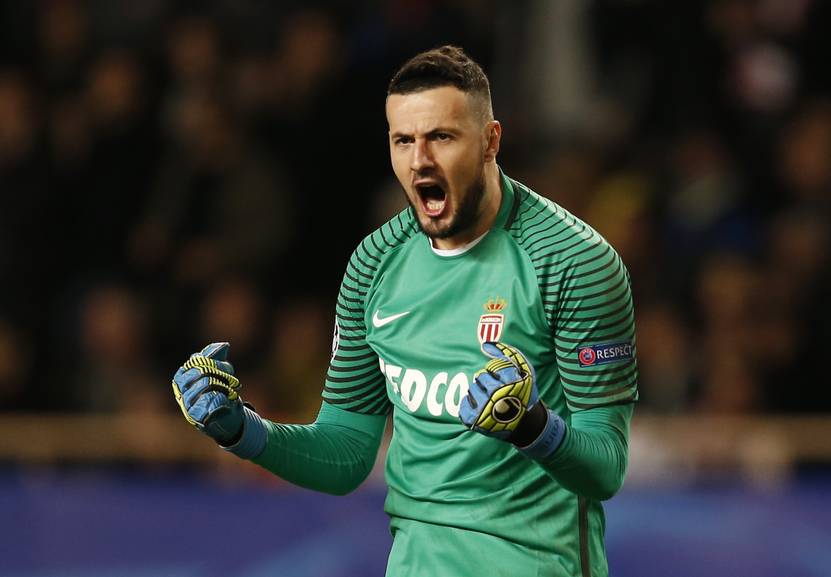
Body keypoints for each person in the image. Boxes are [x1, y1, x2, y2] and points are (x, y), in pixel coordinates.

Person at [172, 45, 638, 577]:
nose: (420, 160)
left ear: (491, 142)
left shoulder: (575, 262)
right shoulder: (374, 264)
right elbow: (347, 452)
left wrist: (533, 427)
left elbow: (606, 467)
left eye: (441, 137)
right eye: (403, 141)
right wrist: (242, 430)